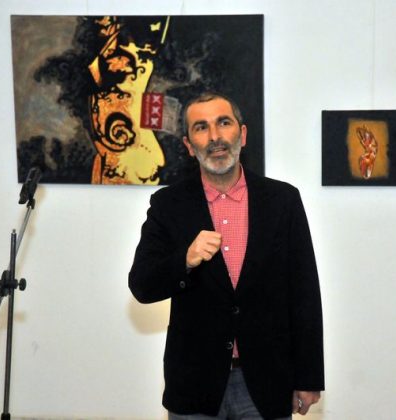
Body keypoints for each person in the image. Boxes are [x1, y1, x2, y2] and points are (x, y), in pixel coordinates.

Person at [128, 92, 324, 419]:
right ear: (189, 145)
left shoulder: (283, 201)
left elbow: (304, 293)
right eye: (201, 127)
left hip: (266, 382)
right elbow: (142, 285)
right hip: (195, 383)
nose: (215, 136)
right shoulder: (168, 205)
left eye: (223, 123)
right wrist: (185, 260)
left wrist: (308, 377)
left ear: (242, 134)